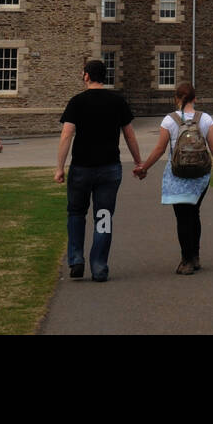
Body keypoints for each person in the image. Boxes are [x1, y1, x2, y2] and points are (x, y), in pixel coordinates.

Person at [55, 59, 141, 283]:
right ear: (105, 77)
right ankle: (99, 265)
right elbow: (130, 135)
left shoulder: (77, 102)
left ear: (86, 76)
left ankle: (76, 260)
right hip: (109, 168)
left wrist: (59, 167)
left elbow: (66, 135)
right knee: (103, 216)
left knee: (76, 214)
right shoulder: (117, 102)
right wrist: (138, 162)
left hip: (81, 167)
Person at [134, 81, 213, 275]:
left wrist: (144, 167)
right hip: (201, 175)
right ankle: (195, 256)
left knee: (183, 218)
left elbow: (160, 149)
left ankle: (186, 261)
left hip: (177, 174)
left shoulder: (169, 121)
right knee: (194, 214)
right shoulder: (206, 119)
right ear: (195, 99)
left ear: (176, 99)